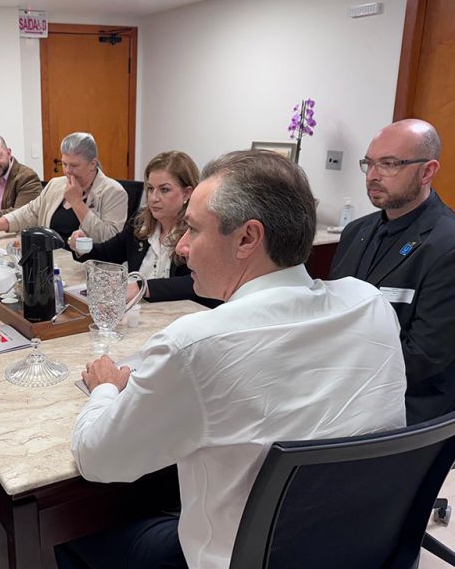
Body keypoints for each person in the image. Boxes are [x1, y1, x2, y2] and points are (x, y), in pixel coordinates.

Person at [58, 150, 407, 569]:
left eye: (192, 229)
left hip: (244, 556)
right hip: (354, 546)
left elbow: (98, 459)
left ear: (247, 238)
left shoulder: (195, 343)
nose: (182, 249)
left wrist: (106, 390)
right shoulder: (369, 303)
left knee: (71, 538)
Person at [329, 119, 455, 425]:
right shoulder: (356, 232)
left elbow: (424, 357)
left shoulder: (447, 245)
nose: (372, 176)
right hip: (341, 390)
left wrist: (334, 362)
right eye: (369, 163)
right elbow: (332, 310)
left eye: (389, 164)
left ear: (427, 171)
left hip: (407, 409)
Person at [68, 150, 219, 305]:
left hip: (183, 317)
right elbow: (109, 253)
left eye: (164, 190)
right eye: (151, 189)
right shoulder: (141, 222)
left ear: (187, 193)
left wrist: (143, 287)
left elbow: (199, 282)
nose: (153, 198)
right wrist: (82, 246)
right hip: (139, 314)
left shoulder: (199, 229)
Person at [0, 132, 127, 243]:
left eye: (74, 166)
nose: (68, 171)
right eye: (64, 164)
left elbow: (109, 240)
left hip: (85, 267)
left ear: (92, 164)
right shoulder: (56, 184)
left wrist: (77, 203)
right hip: (52, 259)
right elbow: (27, 213)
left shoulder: (113, 192)